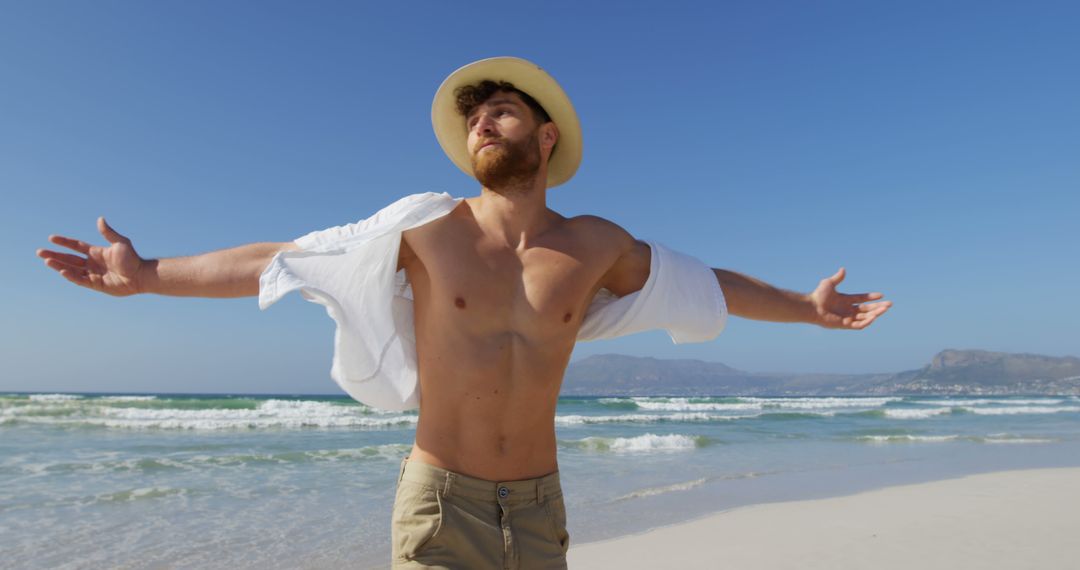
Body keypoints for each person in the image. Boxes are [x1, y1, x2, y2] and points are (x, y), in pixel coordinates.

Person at [36, 57, 893, 569]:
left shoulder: (596, 244)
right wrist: (148, 273)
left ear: (545, 136)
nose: (482, 123)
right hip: (442, 502)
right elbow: (281, 259)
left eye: (502, 112)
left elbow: (703, 286)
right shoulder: (426, 230)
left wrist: (808, 310)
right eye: (474, 117)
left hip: (541, 506)